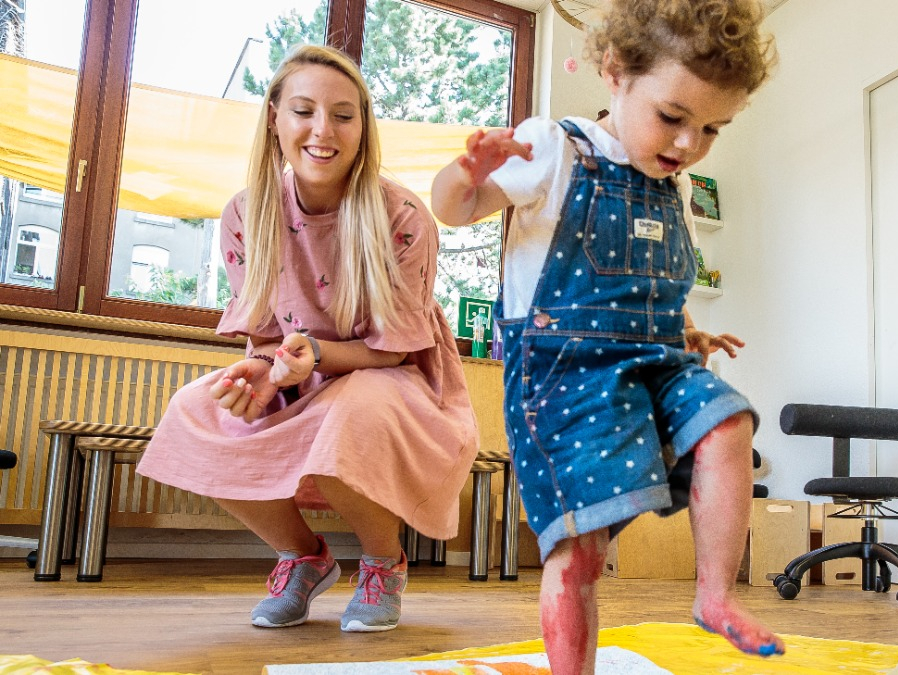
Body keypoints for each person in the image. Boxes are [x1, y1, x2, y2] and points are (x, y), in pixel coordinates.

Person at [430, 0, 782, 670]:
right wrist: (465, 174)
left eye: (713, 128)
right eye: (673, 117)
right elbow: (455, 208)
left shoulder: (671, 185)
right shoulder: (556, 149)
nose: (688, 145)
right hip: (567, 371)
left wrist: (687, 334)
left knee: (730, 423)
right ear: (615, 72)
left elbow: (654, 288)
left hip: (656, 360)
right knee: (581, 548)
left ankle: (714, 595)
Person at [137, 44, 478, 634]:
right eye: (303, 111)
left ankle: (381, 563)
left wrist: (314, 356)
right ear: (274, 117)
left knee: (351, 414)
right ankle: (304, 558)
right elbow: (268, 337)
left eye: (344, 115)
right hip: (301, 376)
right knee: (194, 411)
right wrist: (264, 369)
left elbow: (394, 348)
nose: (324, 131)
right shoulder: (246, 213)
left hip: (392, 378)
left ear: (363, 127)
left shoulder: (401, 216)